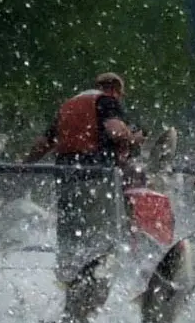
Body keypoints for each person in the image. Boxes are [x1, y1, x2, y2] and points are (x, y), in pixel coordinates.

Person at [25, 72, 138, 276]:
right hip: (97, 181)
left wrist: (23, 165)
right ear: (115, 90)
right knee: (101, 244)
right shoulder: (107, 101)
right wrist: (133, 137)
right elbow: (115, 131)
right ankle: (98, 290)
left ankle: (67, 285)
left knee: (70, 241)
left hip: (66, 183)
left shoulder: (69, 105)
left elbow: (43, 144)